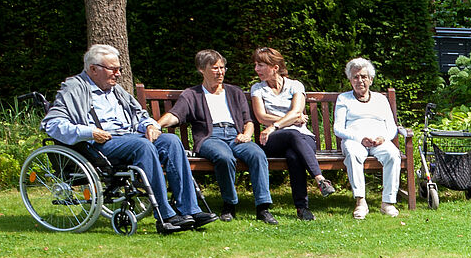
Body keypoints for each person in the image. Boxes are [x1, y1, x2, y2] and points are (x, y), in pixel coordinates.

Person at [40, 44, 210, 235]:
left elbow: (139, 115)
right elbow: (52, 124)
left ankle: (190, 210)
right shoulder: (74, 88)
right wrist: (89, 131)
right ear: (93, 69)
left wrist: (150, 125)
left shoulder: (117, 91)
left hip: (129, 138)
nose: (119, 73)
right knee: (143, 145)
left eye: (119, 69)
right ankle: (165, 215)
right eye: (113, 69)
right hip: (100, 144)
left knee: (171, 141)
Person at [157, 50, 275, 224]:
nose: (220, 72)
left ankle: (263, 208)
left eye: (222, 68)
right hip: (210, 137)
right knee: (224, 157)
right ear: (201, 69)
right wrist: (156, 125)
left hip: (236, 136)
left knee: (257, 155)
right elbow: (175, 115)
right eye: (215, 68)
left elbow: (248, 121)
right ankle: (229, 204)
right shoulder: (192, 94)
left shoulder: (235, 92)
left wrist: (247, 134)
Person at [250, 47, 335, 220]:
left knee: (294, 156)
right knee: (292, 134)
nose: (256, 69)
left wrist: (275, 125)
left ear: (275, 67)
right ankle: (320, 179)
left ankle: (302, 209)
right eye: (256, 65)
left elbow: (298, 111)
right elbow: (261, 116)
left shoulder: (295, 85)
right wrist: (287, 121)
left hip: (301, 138)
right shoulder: (257, 89)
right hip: (274, 140)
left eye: (261, 65)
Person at [334, 58, 404, 218]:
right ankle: (360, 201)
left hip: (379, 141)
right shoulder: (344, 99)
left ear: (370, 80)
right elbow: (338, 128)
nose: (360, 81)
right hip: (354, 140)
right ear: (350, 80)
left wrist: (383, 137)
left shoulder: (381, 99)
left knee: (393, 154)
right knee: (353, 154)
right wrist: (359, 138)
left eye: (363, 77)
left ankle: (388, 202)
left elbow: (392, 127)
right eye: (355, 77)